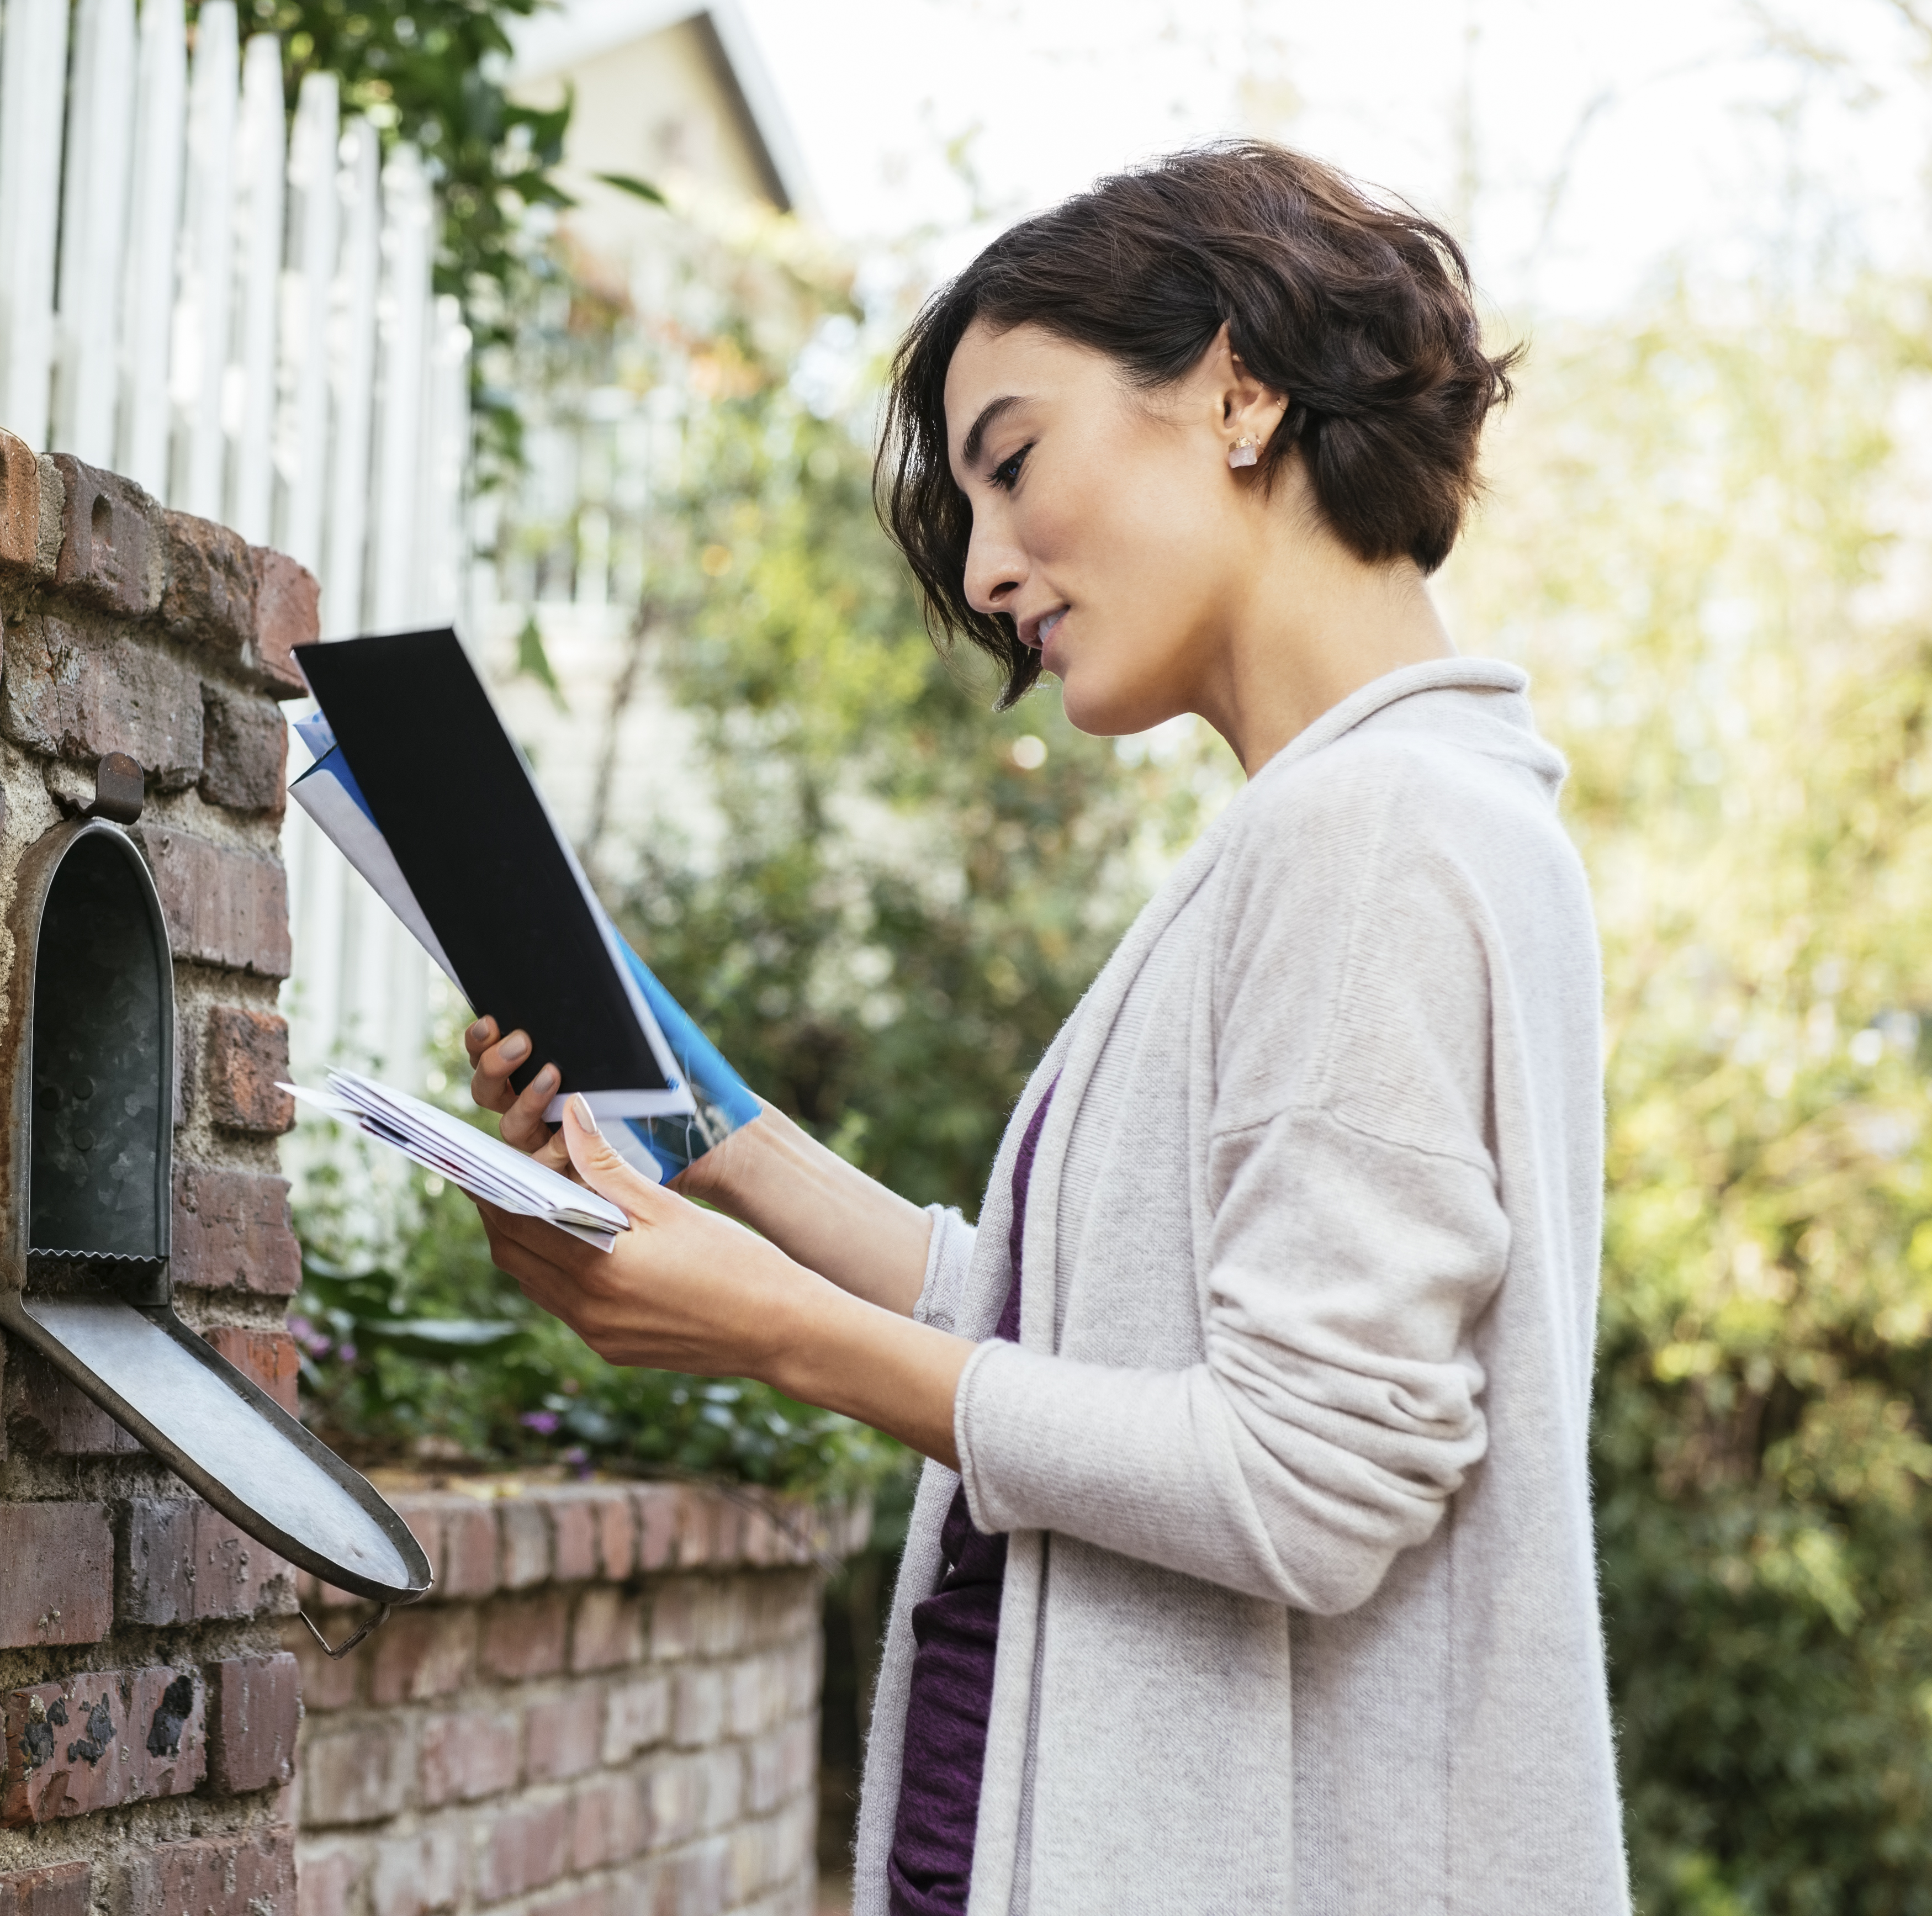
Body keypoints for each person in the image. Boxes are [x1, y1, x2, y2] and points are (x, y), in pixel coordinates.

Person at [456, 140, 1628, 1914]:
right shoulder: (1360, 823)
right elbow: (1077, 1344)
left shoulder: (1372, 836)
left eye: (1012, 464)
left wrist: (772, 1336)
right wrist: (725, 1145)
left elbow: (1306, 1482)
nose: (990, 567)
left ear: (1237, 389)